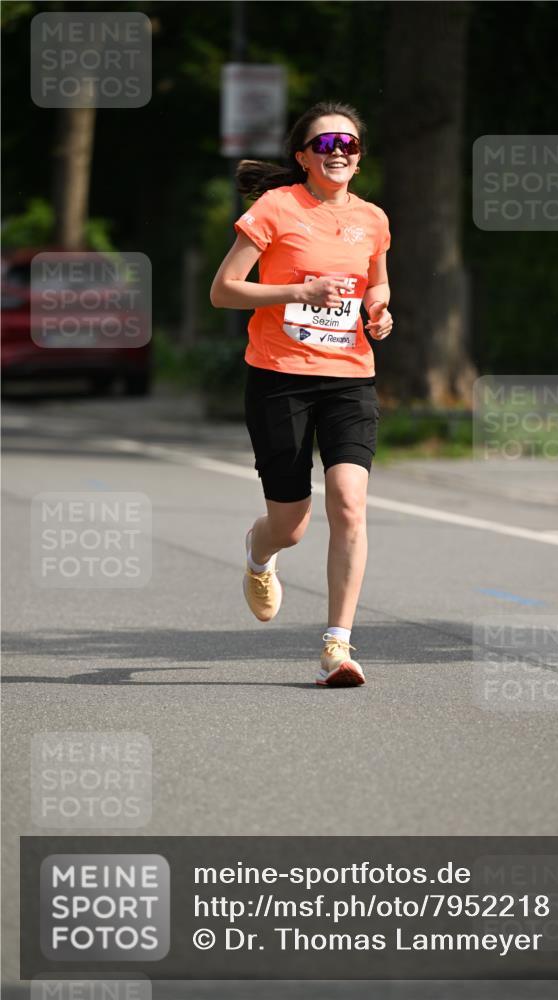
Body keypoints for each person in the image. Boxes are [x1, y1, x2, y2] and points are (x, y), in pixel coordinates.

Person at [210, 100, 392, 687]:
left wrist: (379, 309)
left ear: (359, 159)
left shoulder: (373, 219)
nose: (338, 152)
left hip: (349, 378)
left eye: (348, 144)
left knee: (349, 503)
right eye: (325, 144)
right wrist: (298, 291)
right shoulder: (275, 207)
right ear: (303, 157)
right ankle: (259, 554)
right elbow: (225, 290)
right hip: (278, 377)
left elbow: (377, 282)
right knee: (290, 526)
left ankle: (336, 647)